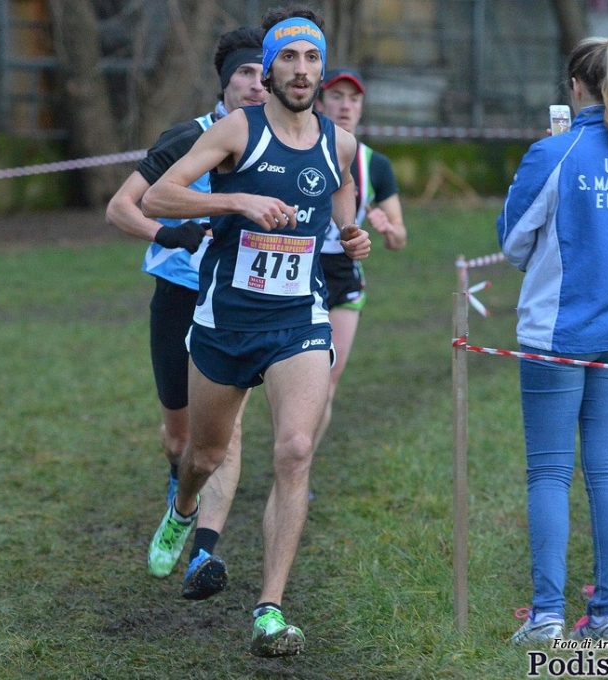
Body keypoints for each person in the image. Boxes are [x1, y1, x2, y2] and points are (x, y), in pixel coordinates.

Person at [141, 5, 370, 657]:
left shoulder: (340, 144)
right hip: (226, 318)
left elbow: (342, 214)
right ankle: (183, 509)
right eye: (289, 58)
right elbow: (158, 197)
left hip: (297, 318)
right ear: (269, 69)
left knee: (295, 450)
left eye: (312, 58)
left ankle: (270, 608)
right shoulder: (237, 131)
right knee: (204, 456)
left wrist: (352, 238)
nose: (302, 70)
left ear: (321, 70)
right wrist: (235, 200)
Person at [498, 37, 608, 644]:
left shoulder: (554, 151)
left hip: (558, 331)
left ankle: (547, 618)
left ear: (575, 88)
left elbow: (513, 242)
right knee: (607, 472)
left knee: (549, 473)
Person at [105, 27, 267, 585]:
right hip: (179, 298)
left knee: (228, 431)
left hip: (238, 305)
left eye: (261, 74)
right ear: (224, 84)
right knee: (181, 438)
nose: (254, 84)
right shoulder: (188, 139)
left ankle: (202, 550)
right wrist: (165, 235)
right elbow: (118, 208)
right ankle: (180, 489)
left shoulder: (278, 148)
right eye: (243, 73)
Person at [312, 67, 406, 454]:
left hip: (342, 275)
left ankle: (301, 465)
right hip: (296, 267)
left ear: (362, 108)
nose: (345, 106)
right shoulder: (295, 150)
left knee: (326, 381)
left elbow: (401, 239)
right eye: (337, 97)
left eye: (354, 99)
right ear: (319, 103)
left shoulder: (375, 166)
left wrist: (386, 228)